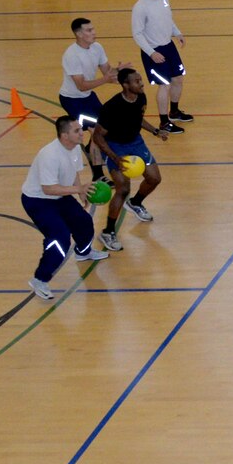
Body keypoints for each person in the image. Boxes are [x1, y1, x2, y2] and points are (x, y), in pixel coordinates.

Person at [22, 117, 108, 301]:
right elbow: (48, 189)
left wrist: (80, 192)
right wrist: (78, 189)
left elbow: (74, 171)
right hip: (38, 201)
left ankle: (83, 252)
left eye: (80, 129)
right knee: (60, 238)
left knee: (84, 222)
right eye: (77, 131)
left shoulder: (75, 147)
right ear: (64, 135)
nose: (82, 133)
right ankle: (39, 279)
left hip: (60, 195)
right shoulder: (49, 155)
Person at [90, 68, 171, 251]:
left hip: (135, 142)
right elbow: (98, 137)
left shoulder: (141, 97)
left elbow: (138, 119)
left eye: (141, 80)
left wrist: (155, 131)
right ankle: (108, 232)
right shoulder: (112, 107)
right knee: (123, 189)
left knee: (154, 178)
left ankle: (135, 203)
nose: (141, 84)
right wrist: (115, 158)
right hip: (115, 147)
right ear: (125, 85)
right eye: (137, 81)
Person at [60, 17, 125, 181]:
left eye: (93, 29)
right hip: (72, 100)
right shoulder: (71, 55)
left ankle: (91, 151)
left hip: (88, 97)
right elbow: (81, 85)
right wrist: (106, 79)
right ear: (78, 34)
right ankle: (98, 175)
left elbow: (107, 72)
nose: (94, 32)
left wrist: (120, 72)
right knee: (97, 132)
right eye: (89, 30)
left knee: (104, 129)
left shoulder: (97, 47)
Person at [132, 0, 191, 136]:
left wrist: (177, 32)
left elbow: (168, 19)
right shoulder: (140, 7)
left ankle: (174, 112)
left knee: (178, 78)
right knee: (164, 85)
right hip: (154, 51)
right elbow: (137, 34)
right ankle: (164, 122)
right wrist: (151, 53)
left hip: (168, 46)